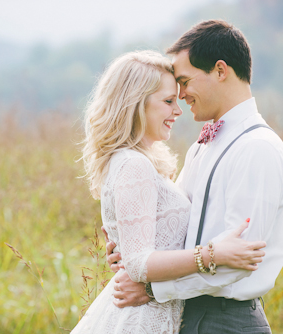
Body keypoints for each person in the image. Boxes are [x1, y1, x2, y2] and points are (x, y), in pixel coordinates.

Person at [105, 20, 283, 333]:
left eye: (184, 81)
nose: (180, 95)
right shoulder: (201, 146)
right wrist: (130, 244)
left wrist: (153, 288)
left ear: (220, 70)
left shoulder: (257, 149)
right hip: (189, 314)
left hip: (226, 319)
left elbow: (238, 261)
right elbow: (176, 228)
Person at [72, 49, 267, 334]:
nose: (178, 110)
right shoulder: (133, 164)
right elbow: (139, 264)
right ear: (135, 104)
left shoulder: (140, 162)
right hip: (141, 320)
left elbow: (142, 249)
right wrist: (215, 254)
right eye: (168, 101)